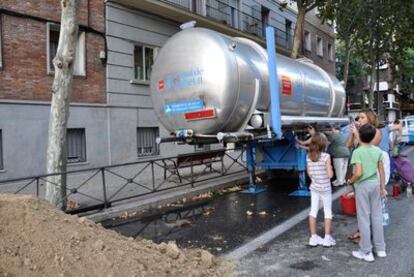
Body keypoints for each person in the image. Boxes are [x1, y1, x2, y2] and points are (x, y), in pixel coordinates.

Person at [346, 123, 387, 262]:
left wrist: (350, 181)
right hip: (375, 184)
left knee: (363, 218)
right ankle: (380, 249)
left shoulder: (357, 152)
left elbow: (358, 173)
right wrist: (383, 187)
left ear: (360, 136)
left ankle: (366, 251)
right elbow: (381, 171)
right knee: (377, 216)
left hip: (362, 186)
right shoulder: (377, 151)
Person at [306, 132, 336, 247]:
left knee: (313, 211)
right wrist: (331, 168)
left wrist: (316, 179)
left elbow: (309, 173)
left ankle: (313, 237)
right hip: (325, 189)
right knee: (327, 211)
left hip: (314, 187)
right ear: (323, 144)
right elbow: (330, 175)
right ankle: (327, 238)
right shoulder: (326, 157)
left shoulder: (308, 157)